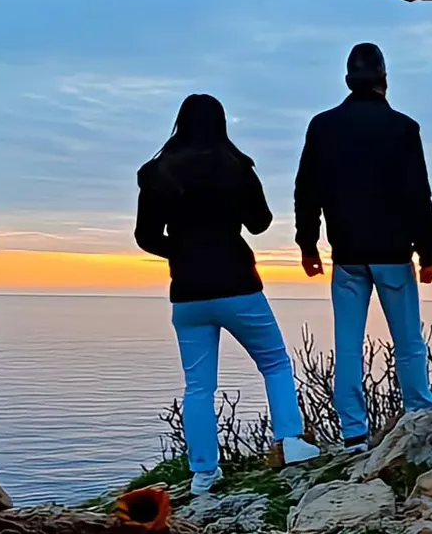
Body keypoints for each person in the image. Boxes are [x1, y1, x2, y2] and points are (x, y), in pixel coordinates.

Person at [136, 93, 319, 492]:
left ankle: (203, 472)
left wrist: (183, 251)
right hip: (238, 285)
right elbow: (260, 223)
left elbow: (145, 237)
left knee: (198, 386)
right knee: (274, 363)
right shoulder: (237, 166)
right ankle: (289, 441)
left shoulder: (155, 172)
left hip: (187, 293)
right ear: (221, 124)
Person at [294, 42, 432, 451]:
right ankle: (419, 419)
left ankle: (354, 434)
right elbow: (418, 194)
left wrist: (308, 244)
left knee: (348, 346)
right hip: (394, 253)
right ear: (384, 81)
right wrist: (427, 252)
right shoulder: (404, 128)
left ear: (347, 82)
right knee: (409, 343)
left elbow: (307, 190)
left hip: (348, 255)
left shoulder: (322, 126)